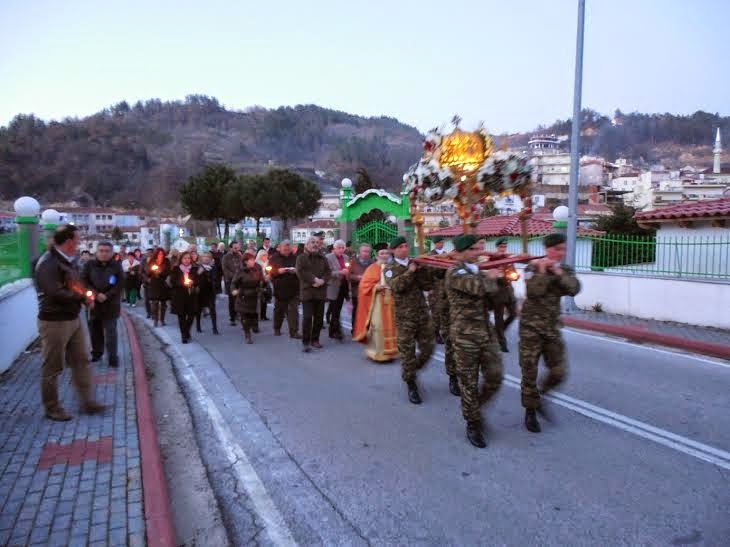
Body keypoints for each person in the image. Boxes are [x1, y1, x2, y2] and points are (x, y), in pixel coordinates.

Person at [34, 224, 104, 421]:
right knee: (52, 366)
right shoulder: (47, 263)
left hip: (73, 319)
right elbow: (54, 292)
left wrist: (84, 297)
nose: (80, 241)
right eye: (77, 238)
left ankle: (87, 402)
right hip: (54, 321)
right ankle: (52, 407)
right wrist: (81, 297)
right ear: (68, 241)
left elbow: (75, 284)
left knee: (81, 360)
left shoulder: (69, 260)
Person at [444, 235, 504, 448]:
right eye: (471, 249)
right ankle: (473, 423)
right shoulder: (455, 272)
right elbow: (478, 287)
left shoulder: (478, 271)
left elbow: (494, 294)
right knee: (469, 383)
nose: (476, 252)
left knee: (495, 375)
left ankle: (474, 408)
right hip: (464, 335)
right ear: (460, 253)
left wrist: (493, 278)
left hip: (485, 333)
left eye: (477, 248)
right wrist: (492, 277)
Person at [519, 233, 581, 433]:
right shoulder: (532, 267)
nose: (561, 253)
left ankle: (541, 396)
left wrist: (558, 272)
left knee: (559, 371)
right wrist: (544, 272)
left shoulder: (564, 269)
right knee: (529, 372)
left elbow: (574, 289)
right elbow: (533, 292)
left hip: (551, 328)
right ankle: (530, 411)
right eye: (557, 249)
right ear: (547, 248)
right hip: (530, 329)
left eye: (564, 249)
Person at [384, 236, 434, 404]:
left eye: (406, 246)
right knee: (408, 353)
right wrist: (410, 271)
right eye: (401, 247)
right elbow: (397, 286)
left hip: (422, 313)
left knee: (428, 348)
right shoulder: (390, 268)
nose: (405, 249)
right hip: (404, 317)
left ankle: (411, 369)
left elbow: (427, 286)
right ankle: (411, 384)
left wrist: (423, 269)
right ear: (394, 250)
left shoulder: (414, 264)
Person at [82, 241, 125, 367]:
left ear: (112, 253)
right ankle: (97, 353)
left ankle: (112, 357)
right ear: (96, 252)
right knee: (95, 330)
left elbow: (120, 283)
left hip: (111, 304)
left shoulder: (116, 266)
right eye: (101, 251)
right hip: (93, 304)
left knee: (111, 332)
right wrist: (95, 294)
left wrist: (107, 295)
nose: (104, 253)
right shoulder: (89, 265)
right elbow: (84, 281)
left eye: (107, 251)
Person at [353, 244, 398, 362]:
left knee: (392, 327)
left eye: (386, 253)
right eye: (382, 253)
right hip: (377, 302)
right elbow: (363, 285)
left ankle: (390, 353)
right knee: (378, 326)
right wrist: (375, 287)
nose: (384, 255)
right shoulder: (372, 268)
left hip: (391, 302)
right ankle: (377, 353)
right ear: (377, 255)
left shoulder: (393, 267)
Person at [295, 236, 331, 352]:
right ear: (306, 245)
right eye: (312, 242)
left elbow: (328, 271)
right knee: (307, 317)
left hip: (320, 292)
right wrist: (314, 280)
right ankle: (306, 342)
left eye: (317, 242)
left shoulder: (323, 258)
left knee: (319, 318)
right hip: (308, 292)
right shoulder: (301, 258)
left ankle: (315, 339)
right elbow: (300, 272)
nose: (315, 244)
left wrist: (323, 280)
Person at [488, 237, 518, 352]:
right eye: (501, 246)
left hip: (509, 290)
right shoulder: (492, 258)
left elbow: (514, 273)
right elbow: (488, 275)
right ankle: (501, 342)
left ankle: (496, 333)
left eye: (504, 246)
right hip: (497, 291)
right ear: (497, 247)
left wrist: (514, 276)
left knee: (513, 314)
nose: (503, 248)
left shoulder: (508, 258)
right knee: (499, 318)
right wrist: (497, 274)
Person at [269, 240, 300, 338]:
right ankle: (277, 328)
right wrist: (277, 271)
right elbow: (269, 270)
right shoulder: (274, 258)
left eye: (288, 249)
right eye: (285, 249)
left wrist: (296, 271)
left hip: (293, 288)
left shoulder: (295, 258)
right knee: (279, 310)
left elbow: (301, 270)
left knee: (293, 311)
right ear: (280, 248)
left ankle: (294, 332)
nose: (287, 251)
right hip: (280, 288)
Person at [231, 252, 264, 344]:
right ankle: (247, 334)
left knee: (252, 315)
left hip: (253, 296)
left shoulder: (256, 270)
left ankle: (254, 326)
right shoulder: (240, 271)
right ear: (246, 262)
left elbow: (261, 280)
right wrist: (234, 290)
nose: (254, 261)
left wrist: (263, 282)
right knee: (245, 317)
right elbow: (234, 283)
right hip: (243, 296)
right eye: (251, 260)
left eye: (254, 260)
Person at [169, 251, 199, 343]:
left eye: (189, 258)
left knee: (191, 315)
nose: (187, 260)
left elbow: (197, 280)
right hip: (180, 295)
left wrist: (192, 282)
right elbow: (173, 281)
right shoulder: (176, 269)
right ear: (181, 259)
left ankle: (186, 331)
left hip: (191, 295)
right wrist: (183, 283)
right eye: (185, 258)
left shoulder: (194, 269)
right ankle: (184, 335)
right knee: (181, 316)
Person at [325, 240, 350, 341]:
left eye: (342, 248)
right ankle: (335, 331)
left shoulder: (346, 257)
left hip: (343, 286)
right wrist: (340, 272)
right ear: (334, 248)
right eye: (338, 248)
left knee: (337, 310)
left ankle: (334, 330)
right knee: (334, 310)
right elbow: (327, 273)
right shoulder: (328, 257)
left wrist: (347, 272)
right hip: (333, 286)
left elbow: (348, 269)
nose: (341, 250)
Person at [428, 235, 449, 344]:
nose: (442, 244)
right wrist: (429, 287)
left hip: (445, 288)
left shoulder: (446, 254)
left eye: (442, 242)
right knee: (436, 313)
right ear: (435, 244)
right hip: (435, 288)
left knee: (445, 312)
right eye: (439, 242)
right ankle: (435, 334)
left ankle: (444, 333)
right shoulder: (431, 255)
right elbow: (430, 272)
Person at [348, 243, 374, 334]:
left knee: (368, 312)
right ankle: (355, 330)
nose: (366, 253)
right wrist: (357, 277)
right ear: (360, 251)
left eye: (368, 251)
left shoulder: (372, 263)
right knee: (357, 312)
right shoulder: (353, 262)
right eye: (364, 251)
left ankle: (366, 330)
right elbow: (348, 275)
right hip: (357, 292)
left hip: (369, 292)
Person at [196, 252, 219, 335]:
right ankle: (198, 326)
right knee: (199, 309)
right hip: (201, 291)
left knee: (212, 309)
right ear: (202, 258)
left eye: (208, 257)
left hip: (210, 291)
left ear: (210, 259)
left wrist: (210, 276)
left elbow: (215, 278)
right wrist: (199, 273)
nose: (206, 258)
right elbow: (196, 278)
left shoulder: (213, 267)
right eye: (204, 256)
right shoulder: (198, 267)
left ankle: (215, 328)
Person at [146, 248, 171, 327]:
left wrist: (161, 272)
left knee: (163, 303)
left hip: (162, 283)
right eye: (159, 254)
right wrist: (152, 271)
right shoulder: (152, 260)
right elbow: (147, 271)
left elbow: (168, 271)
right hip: (154, 283)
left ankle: (162, 320)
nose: (161, 255)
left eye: (162, 254)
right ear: (156, 254)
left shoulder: (166, 261)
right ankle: (155, 319)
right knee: (154, 302)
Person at [222, 241, 244, 325]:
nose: (237, 249)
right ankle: (232, 318)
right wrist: (234, 276)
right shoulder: (226, 257)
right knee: (232, 299)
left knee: (240, 298)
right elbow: (225, 269)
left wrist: (241, 275)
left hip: (239, 281)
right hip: (230, 281)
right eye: (235, 248)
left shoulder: (239, 256)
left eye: (238, 248)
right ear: (230, 248)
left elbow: (241, 266)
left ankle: (238, 314)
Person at [255, 249, 272, 321]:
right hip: (259, 282)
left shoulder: (267, 262)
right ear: (260, 256)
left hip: (266, 281)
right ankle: (258, 315)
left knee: (265, 298)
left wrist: (269, 275)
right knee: (260, 299)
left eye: (266, 255)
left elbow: (270, 270)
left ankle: (264, 315)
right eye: (264, 255)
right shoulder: (256, 263)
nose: (266, 257)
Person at [140, 248, 154, 318]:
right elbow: (141, 271)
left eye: (150, 253)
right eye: (147, 253)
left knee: (153, 299)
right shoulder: (143, 261)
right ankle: (148, 312)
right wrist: (146, 278)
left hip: (153, 282)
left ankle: (154, 313)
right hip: (146, 282)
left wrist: (151, 278)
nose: (148, 254)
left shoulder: (155, 261)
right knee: (147, 299)